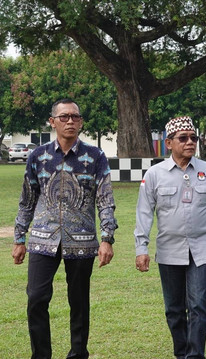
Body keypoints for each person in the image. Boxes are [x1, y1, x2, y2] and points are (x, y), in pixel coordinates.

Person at [12, 98, 117, 359]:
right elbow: (27, 199)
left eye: (75, 117)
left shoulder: (95, 157)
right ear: (52, 122)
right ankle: (41, 355)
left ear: (81, 122)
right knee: (36, 298)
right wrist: (19, 238)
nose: (70, 121)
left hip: (82, 242)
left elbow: (105, 199)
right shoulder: (38, 157)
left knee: (79, 303)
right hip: (41, 241)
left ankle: (78, 354)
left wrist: (107, 238)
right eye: (64, 117)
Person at [134, 116, 206, 359]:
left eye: (193, 138)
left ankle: (195, 355)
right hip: (169, 250)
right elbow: (144, 212)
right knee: (174, 309)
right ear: (169, 143)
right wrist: (141, 248)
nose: (190, 142)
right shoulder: (155, 174)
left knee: (199, 306)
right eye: (183, 138)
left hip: (202, 249)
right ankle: (181, 353)